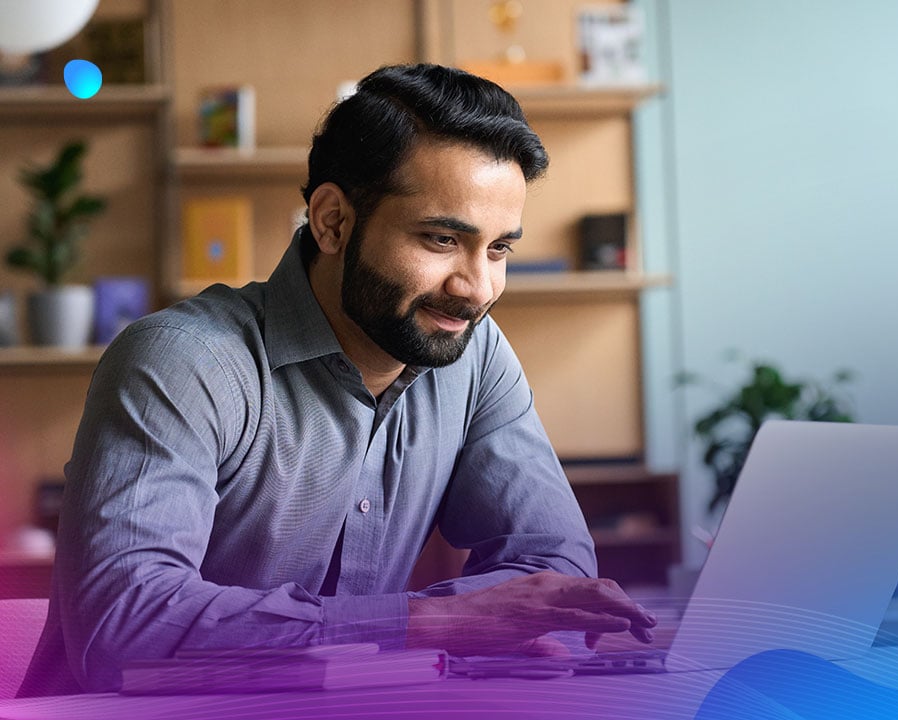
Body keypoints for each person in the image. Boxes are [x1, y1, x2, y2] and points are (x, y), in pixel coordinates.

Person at [19, 63, 656, 696]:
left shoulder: (475, 355)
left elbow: (555, 566)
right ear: (332, 221)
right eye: (441, 239)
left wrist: (447, 625)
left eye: (498, 249)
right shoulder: (182, 362)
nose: (477, 288)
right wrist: (434, 623)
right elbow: (125, 627)